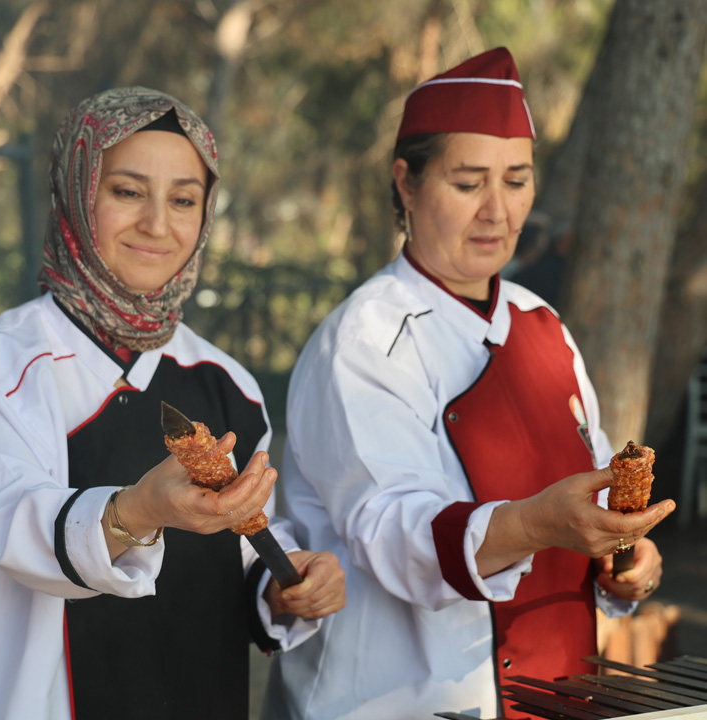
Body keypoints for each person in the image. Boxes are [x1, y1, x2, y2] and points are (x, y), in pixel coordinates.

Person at [0, 87, 345, 720]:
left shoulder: (227, 384)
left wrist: (284, 584)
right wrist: (139, 509)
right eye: (128, 191)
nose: (158, 225)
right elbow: (12, 526)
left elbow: (244, 552)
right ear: (77, 195)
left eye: (184, 200)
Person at [260, 48, 675, 720]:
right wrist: (539, 522)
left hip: (555, 695)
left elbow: (594, 492)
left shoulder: (544, 327)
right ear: (407, 182)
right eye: (467, 182)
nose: (497, 211)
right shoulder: (366, 338)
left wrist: (622, 561)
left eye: (516, 180)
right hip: (392, 703)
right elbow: (395, 533)